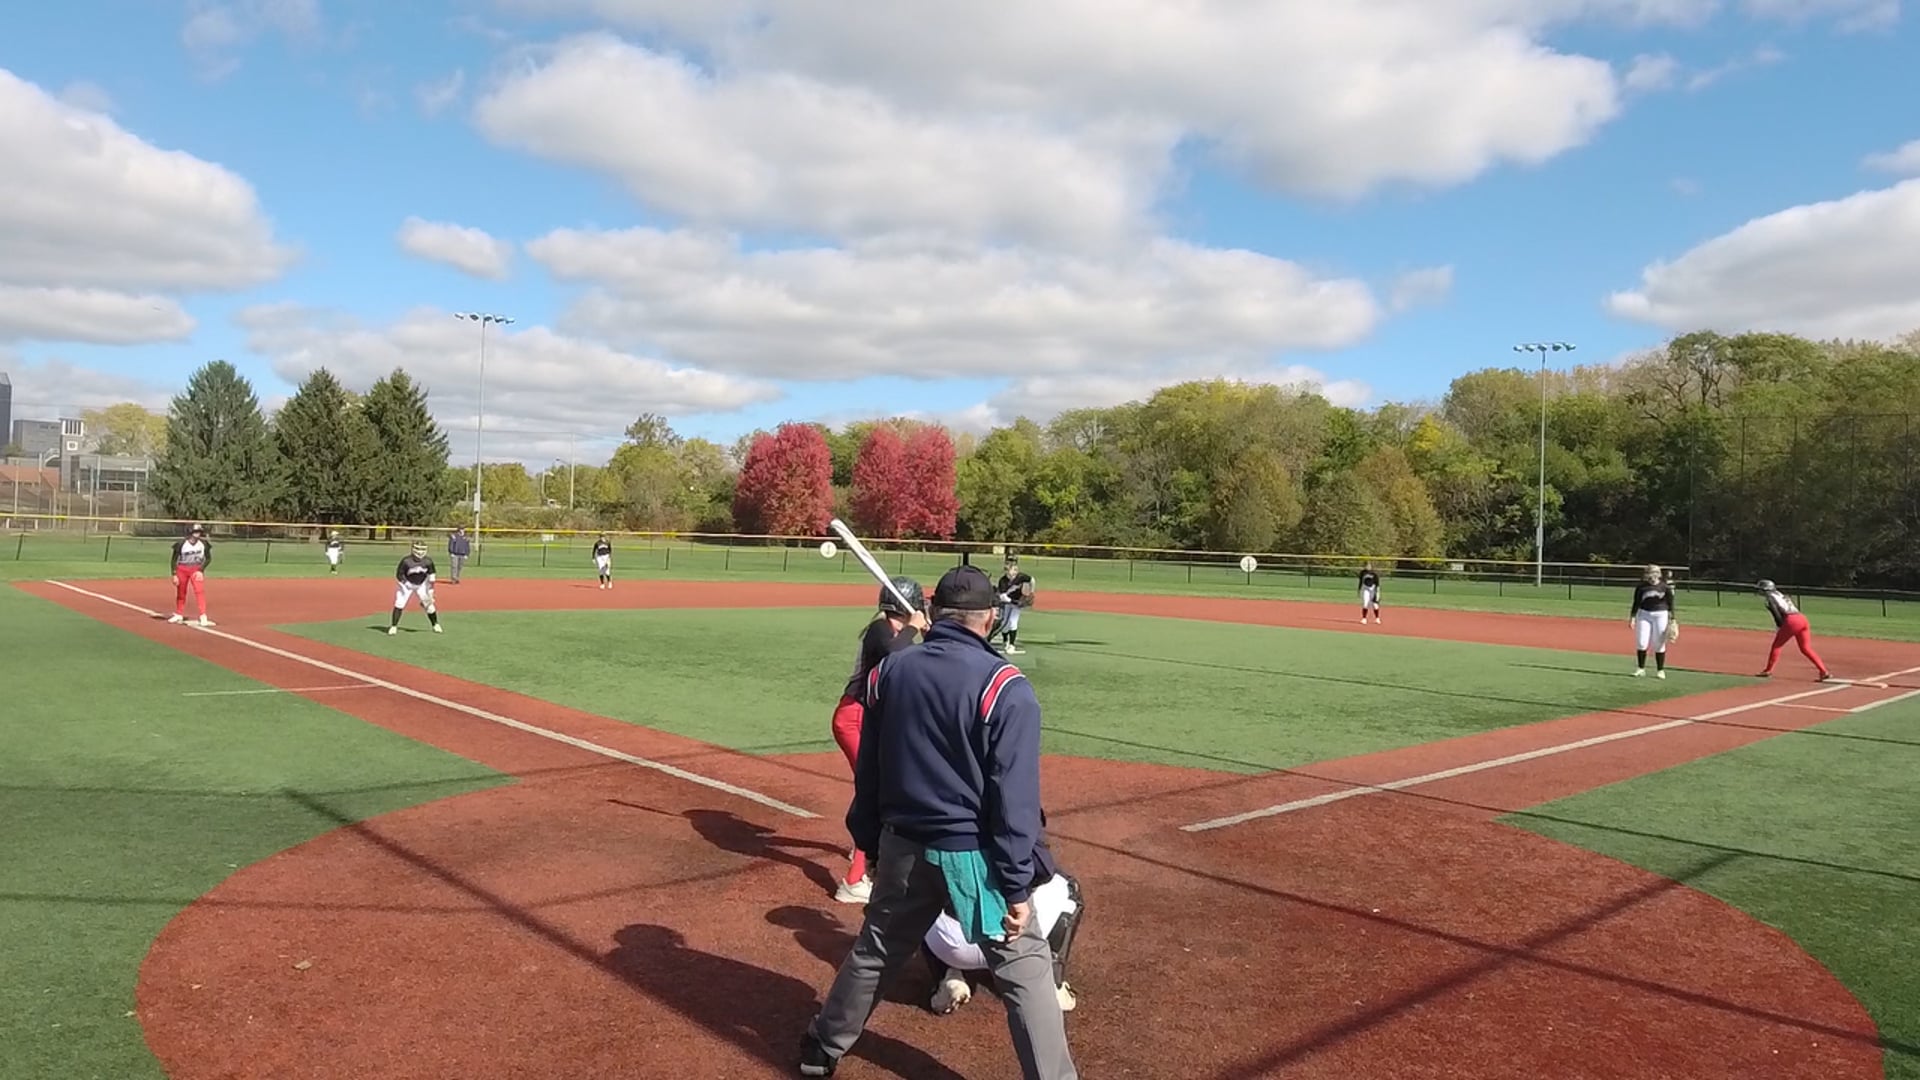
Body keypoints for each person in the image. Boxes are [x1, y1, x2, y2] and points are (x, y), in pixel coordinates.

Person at [800, 565, 1076, 1080]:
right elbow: (1014, 800)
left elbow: (870, 772)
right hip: (973, 857)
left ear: (933, 613)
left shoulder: (889, 673)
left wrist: (869, 843)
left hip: (902, 843)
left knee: (877, 950)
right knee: (1025, 971)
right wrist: (1017, 884)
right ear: (990, 618)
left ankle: (821, 1047)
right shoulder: (1005, 686)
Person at [828, 576, 930, 904]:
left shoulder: (897, 633)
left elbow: (915, 663)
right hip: (855, 718)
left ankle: (864, 845)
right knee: (875, 793)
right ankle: (854, 881)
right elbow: (895, 654)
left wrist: (929, 634)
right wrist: (914, 629)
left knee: (873, 790)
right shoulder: (880, 630)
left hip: (866, 719)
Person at [924, 860, 1084, 1016]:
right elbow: (1043, 868)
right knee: (1070, 887)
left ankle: (947, 977)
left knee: (922, 889)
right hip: (1018, 943)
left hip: (956, 947)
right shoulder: (1017, 843)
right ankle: (1052, 982)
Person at [1755, 579, 1831, 681]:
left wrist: (1780, 626)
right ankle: (1823, 671)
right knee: (1805, 648)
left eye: (1761, 589)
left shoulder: (1770, 598)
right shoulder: (1779, 594)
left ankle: (1768, 670)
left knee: (1777, 646)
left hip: (1791, 620)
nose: (1759, 591)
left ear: (1766, 590)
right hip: (1801, 618)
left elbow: (1776, 613)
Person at [1628, 563, 1675, 679]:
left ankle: (1660, 670)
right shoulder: (1641, 587)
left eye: (1654, 573)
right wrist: (1632, 617)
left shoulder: (1665, 587)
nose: (1651, 576)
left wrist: (1673, 619)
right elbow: (1636, 602)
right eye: (1649, 573)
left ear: (1658, 574)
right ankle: (1641, 669)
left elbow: (1671, 604)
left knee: (1658, 643)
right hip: (1644, 614)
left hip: (1661, 615)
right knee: (1641, 642)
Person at [389, 542, 443, 635]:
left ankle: (435, 624)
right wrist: (406, 583)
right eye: (418, 549)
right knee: (399, 603)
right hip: (406, 585)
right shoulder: (406, 561)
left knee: (429, 606)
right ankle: (394, 626)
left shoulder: (428, 561)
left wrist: (430, 590)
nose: (420, 552)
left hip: (422, 585)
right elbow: (399, 574)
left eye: (422, 549)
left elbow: (431, 575)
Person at [167, 524, 214, 627]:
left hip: (196, 569)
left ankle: (203, 615)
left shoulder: (203, 544)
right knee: (181, 592)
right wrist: (174, 574)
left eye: (199, 532)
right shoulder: (181, 544)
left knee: (199, 591)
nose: (198, 534)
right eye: (195, 531)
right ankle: (179, 614)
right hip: (182, 569)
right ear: (190, 532)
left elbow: (208, 558)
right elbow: (174, 560)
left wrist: (201, 570)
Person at [994, 554, 1036, 654]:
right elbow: (1003, 597)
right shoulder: (1003, 581)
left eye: (1015, 569)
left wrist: (1031, 591)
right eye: (1011, 570)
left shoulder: (1021, 577)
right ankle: (1005, 641)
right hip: (1007, 603)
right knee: (1004, 624)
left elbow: (1032, 580)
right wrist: (1015, 602)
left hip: (1017, 603)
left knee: (1013, 622)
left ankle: (1012, 645)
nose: (1014, 571)